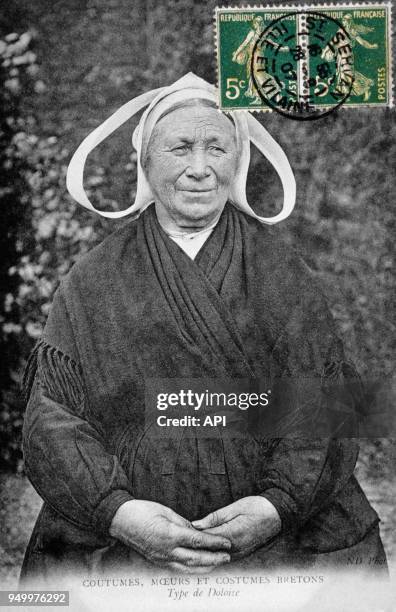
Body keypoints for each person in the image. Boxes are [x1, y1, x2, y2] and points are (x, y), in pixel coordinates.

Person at [20, 73, 387, 583]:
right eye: (179, 148)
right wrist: (117, 513)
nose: (199, 169)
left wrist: (278, 504)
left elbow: (333, 403)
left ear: (237, 163)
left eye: (217, 147)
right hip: (127, 535)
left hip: (276, 532)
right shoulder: (93, 278)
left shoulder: (283, 271)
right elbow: (52, 417)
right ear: (146, 162)